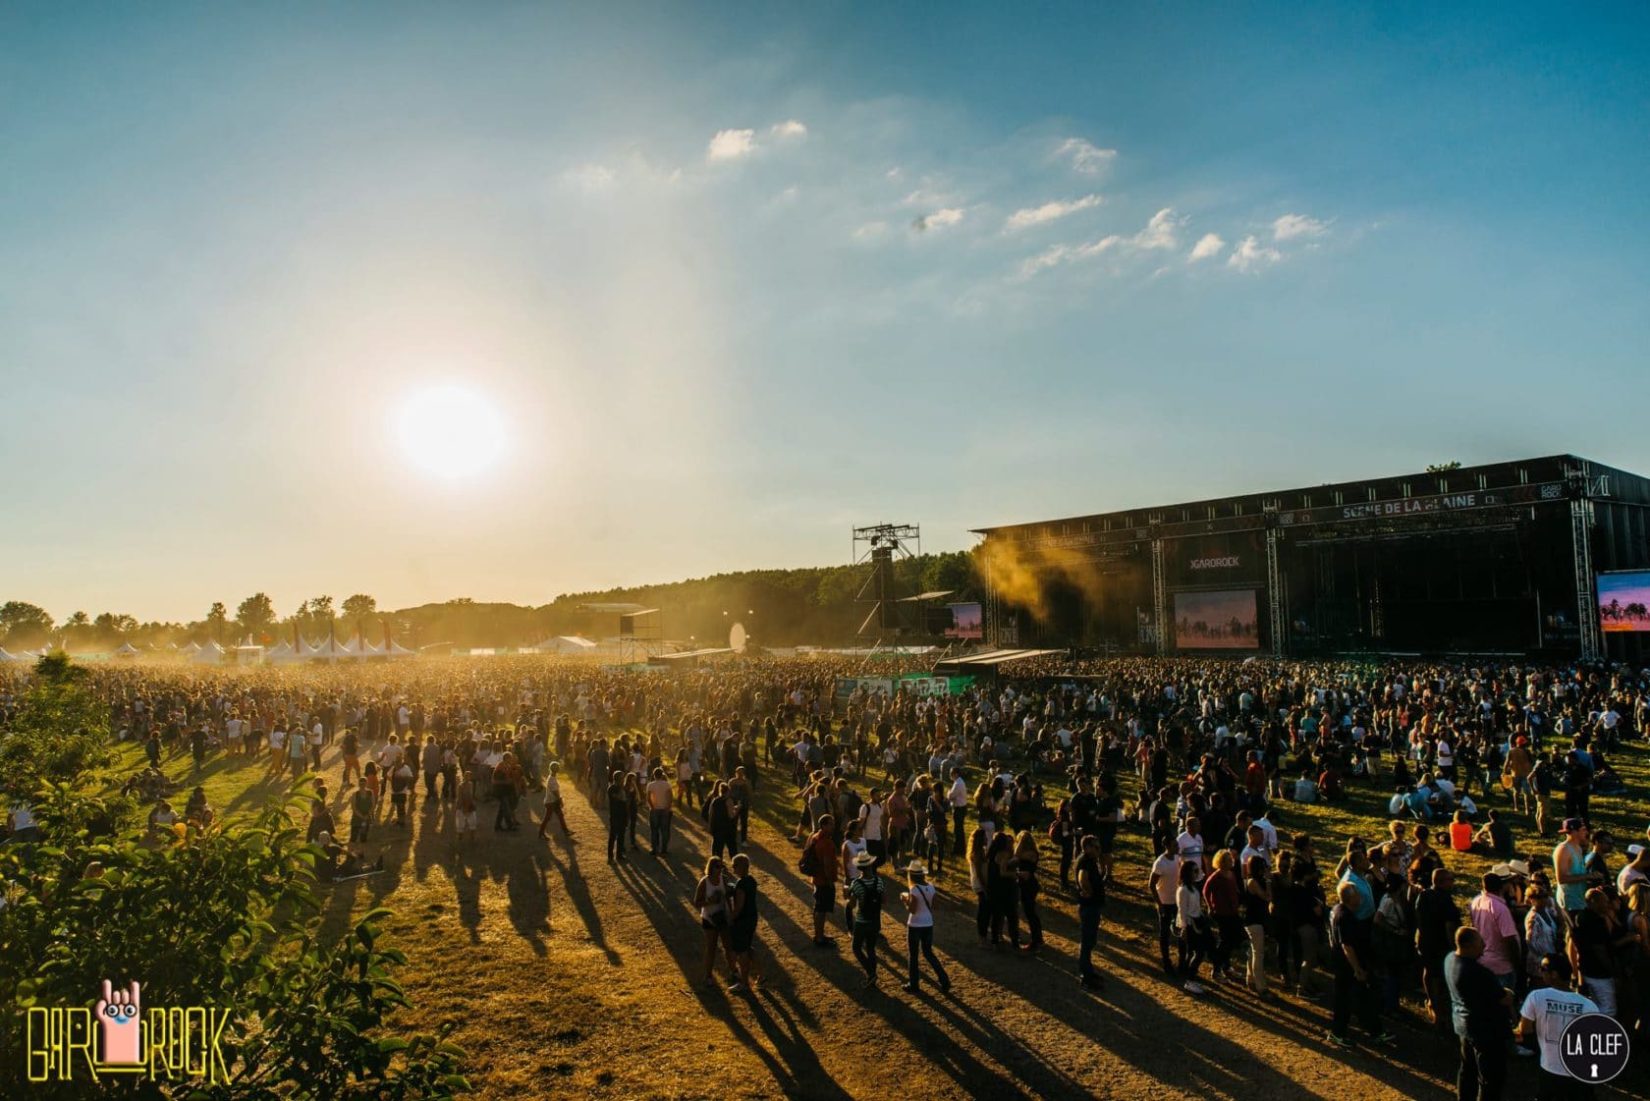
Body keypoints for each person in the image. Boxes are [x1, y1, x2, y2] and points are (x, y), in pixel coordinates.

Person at [1518, 954, 1598, 1101]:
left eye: (1543, 968)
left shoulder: (1536, 997)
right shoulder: (1588, 1005)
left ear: (1554, 974)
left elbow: (1524, 1030)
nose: (1540, 971)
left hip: (1550, 1069)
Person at [1446, 927, 1512, 1101]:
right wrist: (1509, 993)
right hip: (1486, 1033)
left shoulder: (1450, 960)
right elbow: (1503, 998)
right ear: (1468, 945)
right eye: (1479, 942)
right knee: (1490, 1079)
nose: (1484, 945)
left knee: (1467, 1070)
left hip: (1464, 1026)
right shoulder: (1478, 972)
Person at [1327, 879, 1390, 1048]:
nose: (1361, 897)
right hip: (1347, 966)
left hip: (1346, 964)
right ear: (1350, 899)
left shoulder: (1337, 910)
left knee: (1360, 998)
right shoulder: (1344, 916)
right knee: (1345, 1000)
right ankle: (1338, 1033)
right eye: (1357, 895)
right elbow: (1346, 945)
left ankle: (1375, 1031)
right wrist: (1357, 968)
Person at [1416, 867, 1461, 1030]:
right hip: (1440, 944)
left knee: (1428, 973)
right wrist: (1454, 947)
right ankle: (1441, 1012)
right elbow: (1449, 926)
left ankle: (1432, 1003)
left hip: (1425, 941)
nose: (1452, 883)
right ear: (1441, 881)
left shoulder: (1423, 895)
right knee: (1440, 978)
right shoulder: (1445, 900)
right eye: (1450, 880)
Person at [900, 861, 950, 994]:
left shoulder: (914, 889)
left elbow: (912, 910)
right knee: (928, 953)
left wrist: (905, 900)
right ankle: (944, 979)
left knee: (913, 955)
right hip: (928, 923)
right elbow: (935, 906)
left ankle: (914, 984)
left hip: (915, 924)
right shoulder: (931, 887)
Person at [1469, 872, 1520, 997]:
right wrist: (1516, 963)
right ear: (1501, 887)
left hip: (1482, 961)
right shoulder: (1500, 908)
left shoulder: (1476, 902)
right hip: (1501, 966)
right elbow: (1509, 938)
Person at [692, 857, 736, 988]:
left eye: (721, 866)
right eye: (717, 866)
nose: (720, 869)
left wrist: (731, 913)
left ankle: (733, 970)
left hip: (723, 918)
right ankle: (708, 975)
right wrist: (710, 901)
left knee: (728, 946)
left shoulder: (724, 879)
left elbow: (728, 897)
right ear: (710, 868)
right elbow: (696, 902)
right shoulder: (704, 882)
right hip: (709, 919)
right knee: (711, 948)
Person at [847, 850, 885, 989]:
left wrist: (848, 896)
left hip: (862, 921)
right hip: (875, 920)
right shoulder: (879, 881)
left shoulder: (856, 883)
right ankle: (872, 975)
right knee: (871, 949)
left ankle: (870, 973)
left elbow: (851, 904)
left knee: (856, 948)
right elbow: (884, 900)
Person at [726, 853, 762, 994]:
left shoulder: (741, 884)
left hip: (742, 920)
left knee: (742, 952)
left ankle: (744, 983)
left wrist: (731, 918)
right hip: (752, 918)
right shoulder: (751, 881)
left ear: (742, 866)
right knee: (748, 947)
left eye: (735, 865)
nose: (733, 868)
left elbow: (739, 906)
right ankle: (761, 975)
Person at [1074, 834, 1106, 990]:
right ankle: (1085, 977)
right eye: (1095, 847)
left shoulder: (1090, 860)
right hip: (1089, 906)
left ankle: (1088, 971)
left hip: (1092, 906)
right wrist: (1089, 891)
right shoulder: (1085, 861)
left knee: (1090, 940)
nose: (1098, 849)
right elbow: (1082, 878)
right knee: (1087, 941)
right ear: (1087, 848)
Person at [803, 814, 839, 946]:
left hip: (816, 878)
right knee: (821, 909)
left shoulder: (814, 837)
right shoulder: (827, 842)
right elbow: (827, 863)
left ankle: (820, 934)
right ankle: (819, 937)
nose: (833, 826)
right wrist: (830, 880)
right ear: (823, 825)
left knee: (818, 908)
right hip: (824, 880)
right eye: (831, 824)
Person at [1148, 833, 1181, 973]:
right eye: (1175, 845)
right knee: (1165, 932)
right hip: (1165, 902)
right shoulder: (1160, 863)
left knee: (1180, 930)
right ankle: (1166, 961)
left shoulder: (1178, 859)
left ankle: (1182, 961)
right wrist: (1159, 904)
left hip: (1177, 901)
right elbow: (1151, 884)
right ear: (1167, 847)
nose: (1178, 847)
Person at [1554, 819, 1591, 919]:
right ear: (1574, 832)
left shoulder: (1578, 848)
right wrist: (1588, 876)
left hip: (1580, 901)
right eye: (1583, 830)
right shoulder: (1563, 850)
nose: (1586, 833)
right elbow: (1561, 879)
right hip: (1569, 904)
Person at [1014, 829, 1044, 953]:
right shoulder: (1032, 853)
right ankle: (1037, 939)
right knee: (1030, 912)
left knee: (1030, 913)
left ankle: (1036, 940)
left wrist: (1013, 874)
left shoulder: (1030, 854)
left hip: (1028, 885)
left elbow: (1017, 855)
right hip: (1028, 885)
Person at [536, 762, 571, 840]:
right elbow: (555, 792)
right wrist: (560, 800)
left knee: (560, 816)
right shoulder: (552, 779)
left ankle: (566, 831)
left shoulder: (551, 777)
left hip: (552, 801)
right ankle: (541, 833)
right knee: (547, 818)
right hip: (551, 802)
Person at [646, 767, 674, 856]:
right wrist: (668, 807)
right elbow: (670, 797)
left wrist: (652, 807)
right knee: (664, 830)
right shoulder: (667, 784)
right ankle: (664, 849)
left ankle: (654, 849)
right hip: (664, 809)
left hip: (655, 809)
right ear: (662, 775)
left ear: (654, 775)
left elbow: (648, 798)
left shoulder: (650, 785)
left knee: (654, 830)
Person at [605, 770, 628, 863]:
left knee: (621, 836)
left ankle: (619, 855)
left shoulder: (622, 788)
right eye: (622, 777)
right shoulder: (612, 788)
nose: (624, 779)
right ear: (618, 778)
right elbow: (620, 798)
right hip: (615, 815)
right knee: (613, 836)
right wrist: (622, 789)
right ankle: (610, 857)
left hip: (623, 814)